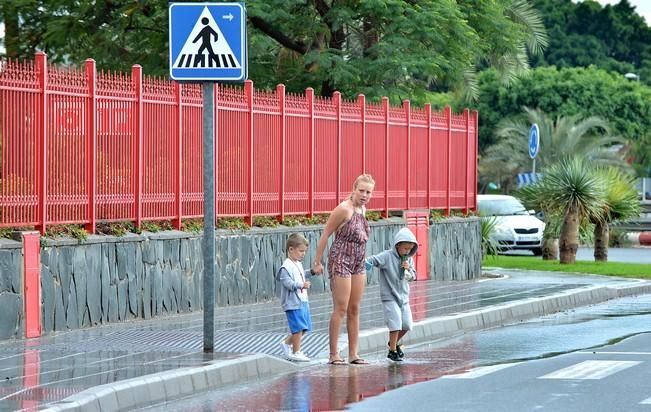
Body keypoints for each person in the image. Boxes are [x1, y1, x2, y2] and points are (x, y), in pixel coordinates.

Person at [312, 174, 375, 365]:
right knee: (341, 308)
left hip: (358, 259)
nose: (364, 195)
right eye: (361, 190)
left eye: (368, 192)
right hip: (341, 258)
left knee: (355, 308)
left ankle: (353, 353)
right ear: (353, 188)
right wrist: (317, 261)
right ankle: (333, 353)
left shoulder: (362, 209)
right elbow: (326, 234)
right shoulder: (343, 209)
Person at [365, 227, 417, 362]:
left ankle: (393, 343)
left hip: (404, 297)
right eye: (405, 248)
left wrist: (408, 270)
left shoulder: (409, 260)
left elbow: (413, 277)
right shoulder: (387, 256)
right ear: (397, 245)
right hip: (389, 296)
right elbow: (372, 260)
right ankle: (392, 350)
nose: (407, 252)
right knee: (395, 323)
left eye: (410, 249)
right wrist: (363, 265)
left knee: (407, 324)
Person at [277, 233, 314, 362]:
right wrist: (300, 285)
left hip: (302, 300)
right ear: (291, 249)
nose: (303, 254)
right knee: (298, 328)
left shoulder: (297, 263)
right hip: (292, 302)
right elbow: (287, 282)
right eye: (301, 251)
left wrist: (312, 272)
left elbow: (301, 275)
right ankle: (296, 351)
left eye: (304, 251)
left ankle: (287, 344)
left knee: (304, 327)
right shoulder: (286, 266)